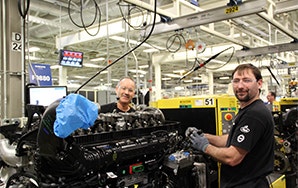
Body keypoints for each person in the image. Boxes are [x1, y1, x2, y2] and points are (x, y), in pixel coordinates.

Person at [186, 64, 274, 188]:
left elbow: (232, 157)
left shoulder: (254, 114)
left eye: (247, 80)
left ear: (259, 83)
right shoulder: (248, 109)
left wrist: (204, 146)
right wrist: (202, 136)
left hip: (246, 184)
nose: (240, 86)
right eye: (236, 81)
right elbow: (231, 139)